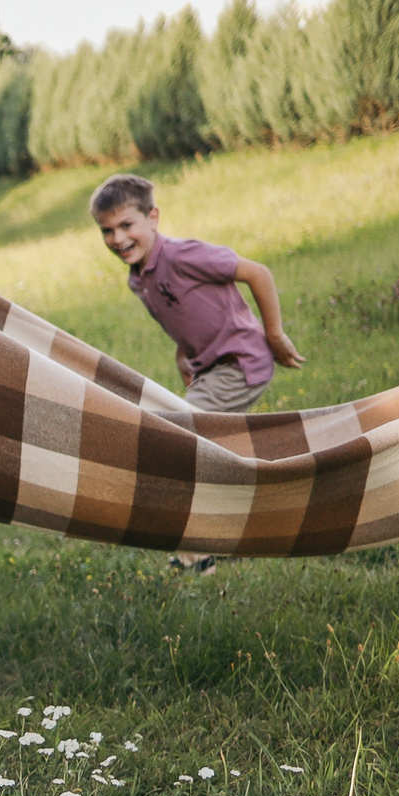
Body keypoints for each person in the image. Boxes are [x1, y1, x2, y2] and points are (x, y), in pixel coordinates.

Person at [90, 173, 306, 572]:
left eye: (126, 225)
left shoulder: (183, 254)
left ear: (153, 217)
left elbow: (257, 272)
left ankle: (197, 553)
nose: (118, 239)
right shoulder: (138, 278)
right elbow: (188, 314)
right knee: (209, 450)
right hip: (211, 369)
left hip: (241, 364)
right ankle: (243, 523)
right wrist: (183, 356)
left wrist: (273, 335)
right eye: (107, 231)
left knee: (174, 440)